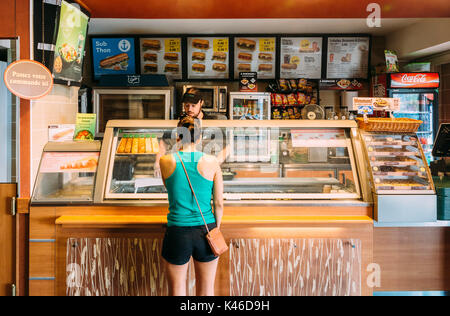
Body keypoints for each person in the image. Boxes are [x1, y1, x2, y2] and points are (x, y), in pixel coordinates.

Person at [159, 116, 224, 296]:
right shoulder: (212, 162)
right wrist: (216, 228)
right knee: (206, 291)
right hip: (206, 229)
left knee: (177, 291)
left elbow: (170, 187)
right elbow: (218, 202)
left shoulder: (165, 161)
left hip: (177, 231)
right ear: (200, 136)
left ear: (177, 136)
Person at [154, 88, 228, 177]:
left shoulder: (211, 122)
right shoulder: (179, 122)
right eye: (186, 105)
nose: (189, 109)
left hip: (204, 172)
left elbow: (226, 148)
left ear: (201, 103)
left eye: (193, 105)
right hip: (182, 171)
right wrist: (157, 164)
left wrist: (214, 165)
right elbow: (163, 144)